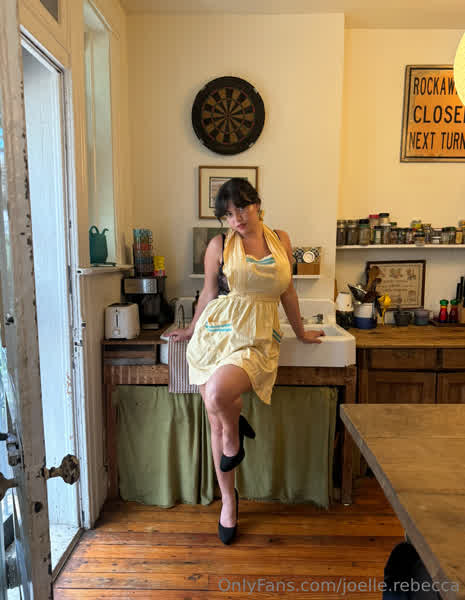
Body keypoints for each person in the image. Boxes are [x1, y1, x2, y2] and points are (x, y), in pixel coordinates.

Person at [167, 178, 324, 544]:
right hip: (217, 332)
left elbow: (287, 291)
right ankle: (228, 503)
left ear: (257, 204)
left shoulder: (280, 240)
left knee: (218, 394)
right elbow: (209, 293)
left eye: (242, 208)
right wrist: (191, 328)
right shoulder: (219, 245)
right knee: (215, 418)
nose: (236, 218)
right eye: (228, 214)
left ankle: (235, 436)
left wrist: (301, 332)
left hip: (257, 335)